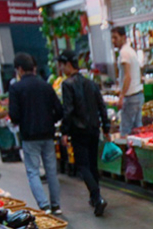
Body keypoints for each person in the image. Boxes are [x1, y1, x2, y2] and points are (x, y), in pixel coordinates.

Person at [9, 53, 65, 215]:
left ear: (19, 69)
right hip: (48, 133)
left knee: (33, 171)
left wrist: (23, 121)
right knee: (51, 170)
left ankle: (44, 206)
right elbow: (59, 110)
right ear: (33, 68)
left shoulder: (16, 88)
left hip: (29, 134)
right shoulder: (46, 86)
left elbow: (14, 115)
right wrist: (50, 120)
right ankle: (56, 205)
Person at [58, 52, 111, 217]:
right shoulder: (91, 83)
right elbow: (101, 106)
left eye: (62, 65)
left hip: (78, 130)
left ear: (68, 64)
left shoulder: (67, 84)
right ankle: (94, 198)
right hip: (94, 129)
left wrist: (64, 132)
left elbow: (68, 110)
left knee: (83, 165)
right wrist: (106, 127)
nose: (61, 68)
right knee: (93, 164)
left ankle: (97, 197)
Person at [112, 26, 144, 136]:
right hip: (138, 95)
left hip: (130, 97)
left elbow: (127, 76)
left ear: (124, 37)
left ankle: (127, 153)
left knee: (126, 131)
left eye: (115, 38)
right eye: (112, 38)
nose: (113, 41)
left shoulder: (124, 53)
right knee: (138, 130)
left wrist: (121, 96)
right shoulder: (131, 51)